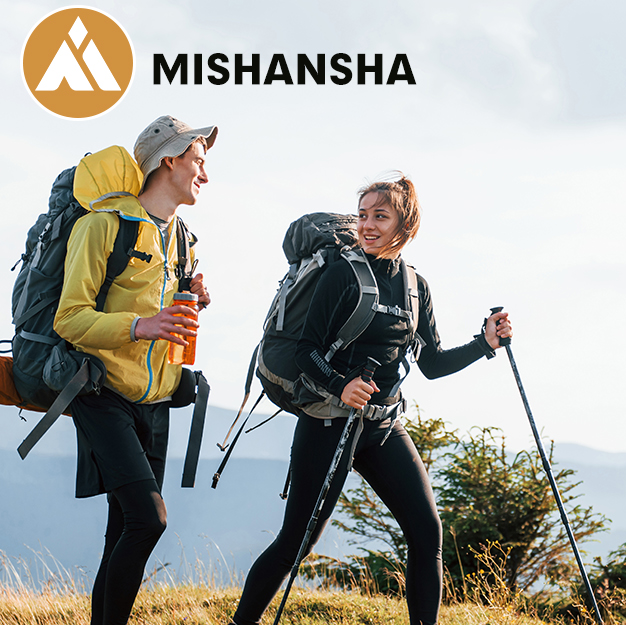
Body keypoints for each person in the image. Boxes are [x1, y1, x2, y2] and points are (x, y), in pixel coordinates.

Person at [231, 174, 511, 625]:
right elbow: (306, 351)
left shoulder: (417, 287)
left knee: (427, 532)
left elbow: (432, 364)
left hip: (382, 428)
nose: (367, 225)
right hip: (329, 422)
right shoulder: (341, 273)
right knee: (296, 543)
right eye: (363, 215)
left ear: (406, 225)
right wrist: (342, 383)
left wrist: (485, 344)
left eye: (380, 216)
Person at [54, 115, 215, 625]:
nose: (204, 175)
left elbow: (165, 320)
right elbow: (70, 318)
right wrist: (143, 325)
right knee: (149, 520)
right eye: (198, 160)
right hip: (101, 391)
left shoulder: (184, 238)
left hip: (157, 401)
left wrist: (191, 305)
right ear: (169, 158)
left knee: (123, 527)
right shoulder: (101, 226)